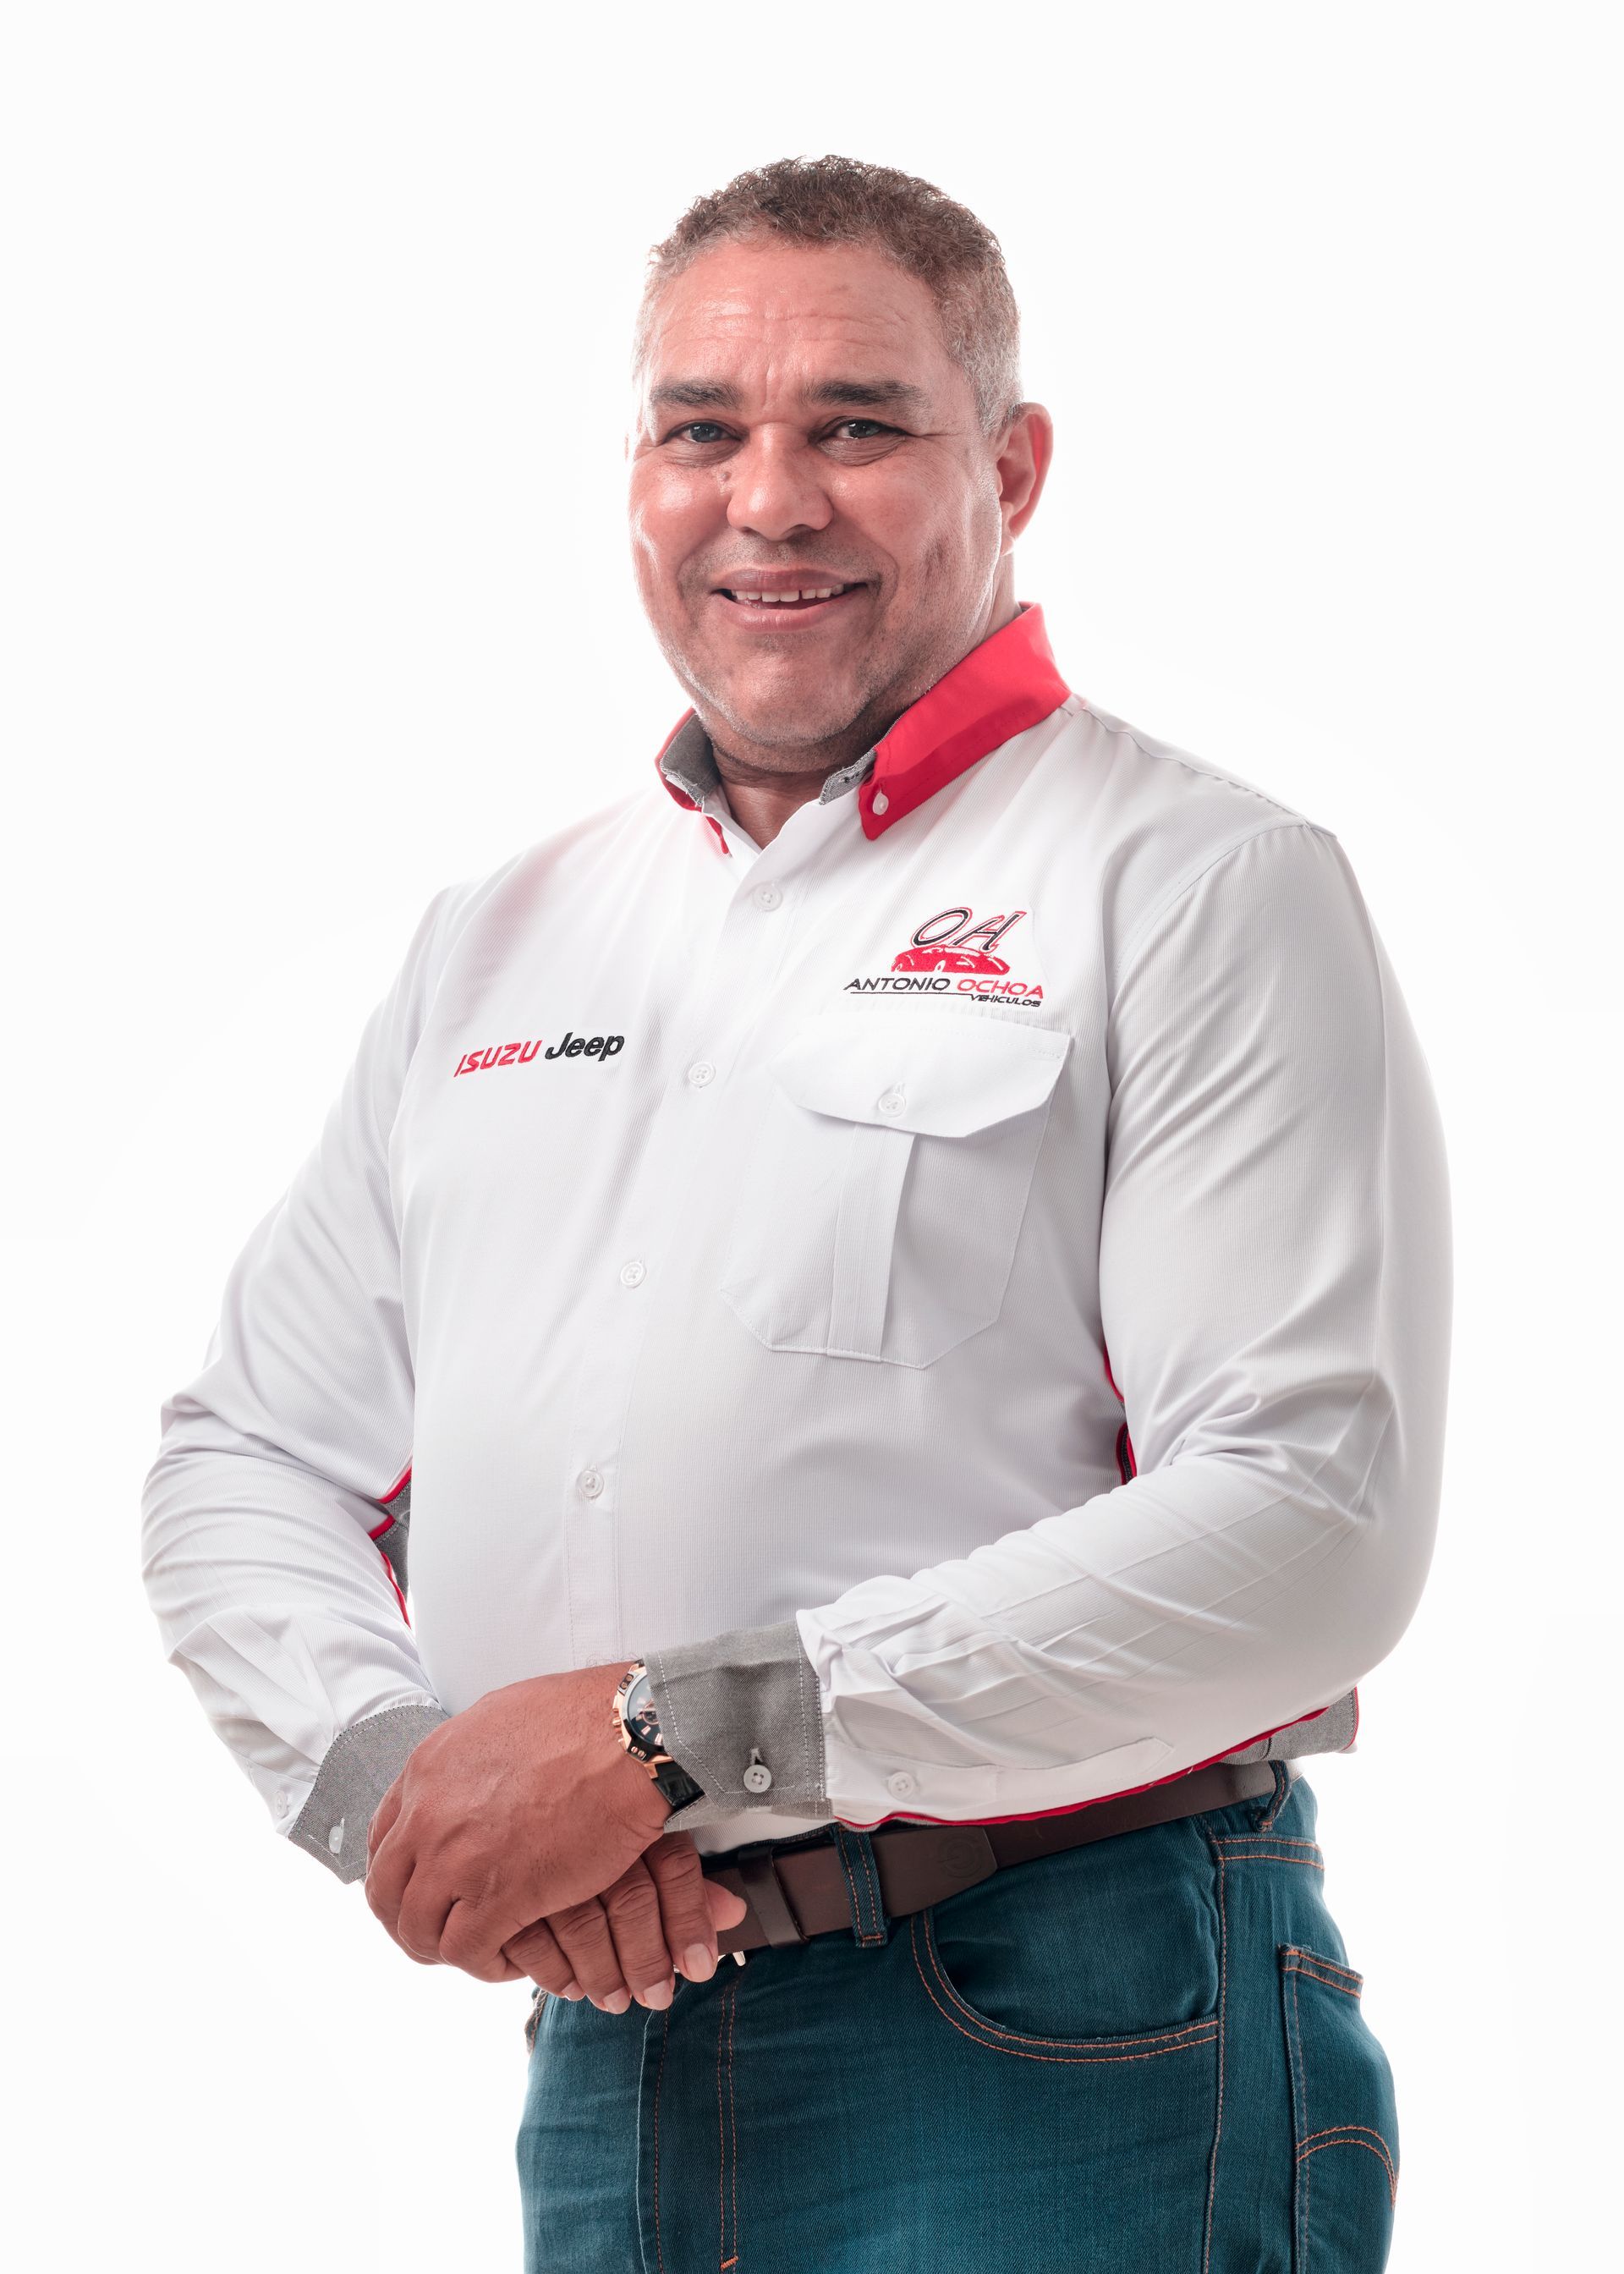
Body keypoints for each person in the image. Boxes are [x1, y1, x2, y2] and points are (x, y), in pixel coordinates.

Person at [142, 156, 1451, 2272]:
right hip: (618, 2037)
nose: (768, 500)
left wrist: (675, 1744)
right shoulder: (505, 934)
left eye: (856, 425)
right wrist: (405, 1788)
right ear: (636, 475)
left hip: (1064, 2028)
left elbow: (1310, 1517)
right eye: (701, 431)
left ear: (1008, 467)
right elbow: (249, 1452)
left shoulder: (1195, 886)